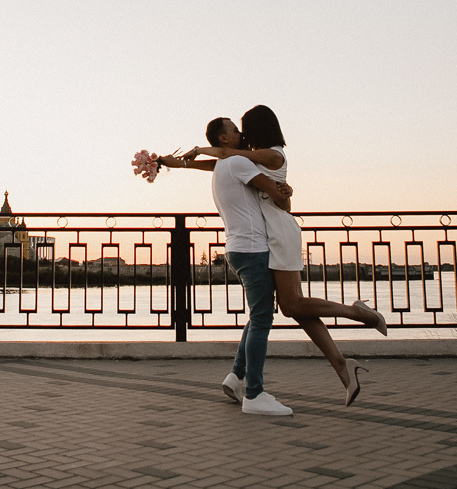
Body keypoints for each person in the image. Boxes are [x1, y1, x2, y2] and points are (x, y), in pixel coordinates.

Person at [174, 105, 388, 406]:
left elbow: (229, 158)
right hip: (268, 235)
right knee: (292, 309)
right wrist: (178, 163)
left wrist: (199, 150)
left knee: (291, 305)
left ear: (258, 129)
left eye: (245, 128)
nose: (242, 134)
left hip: (280, 234)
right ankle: (342, 366)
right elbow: (221, 163)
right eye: (237, 130)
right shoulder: (245, 159)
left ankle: (359, 313)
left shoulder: (274, 155)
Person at [160, 116, 296, 415]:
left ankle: (236, 377)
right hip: (253, 247)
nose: (241, 133)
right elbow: (280, 199)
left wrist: (181, 163)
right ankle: (254, 394)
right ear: (223, 139)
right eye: (235, 130)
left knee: (258, 314)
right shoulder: (237, 162)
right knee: (262, 319)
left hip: (237, 247)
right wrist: (284, 191)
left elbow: (215, 162)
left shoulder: (228, 164)